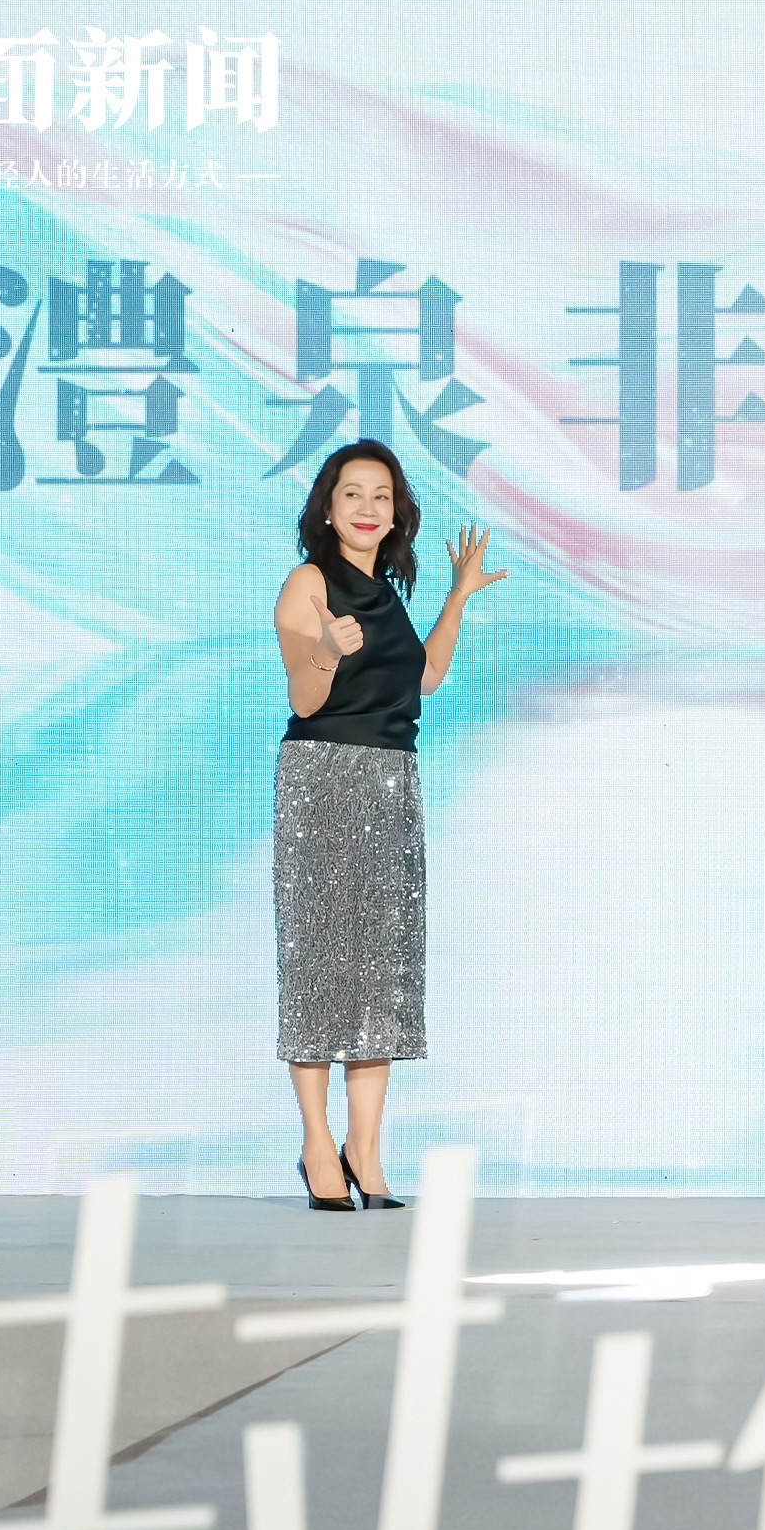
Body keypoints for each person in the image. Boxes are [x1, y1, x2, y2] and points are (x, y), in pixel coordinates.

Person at [270, 438, 505, 1210]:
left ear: (396, 512)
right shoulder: (309, 583)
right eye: (352, 494)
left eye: (381, 495)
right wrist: (326, 651)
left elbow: (425, 678)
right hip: (322, 779)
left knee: (380, 977)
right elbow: (305, 698)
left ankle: (366, 1154)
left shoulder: (388, 593)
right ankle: (318, 1145)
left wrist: (457, 597)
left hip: (392, 783)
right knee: (319, 970)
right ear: (327, 509)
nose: (367, 508)